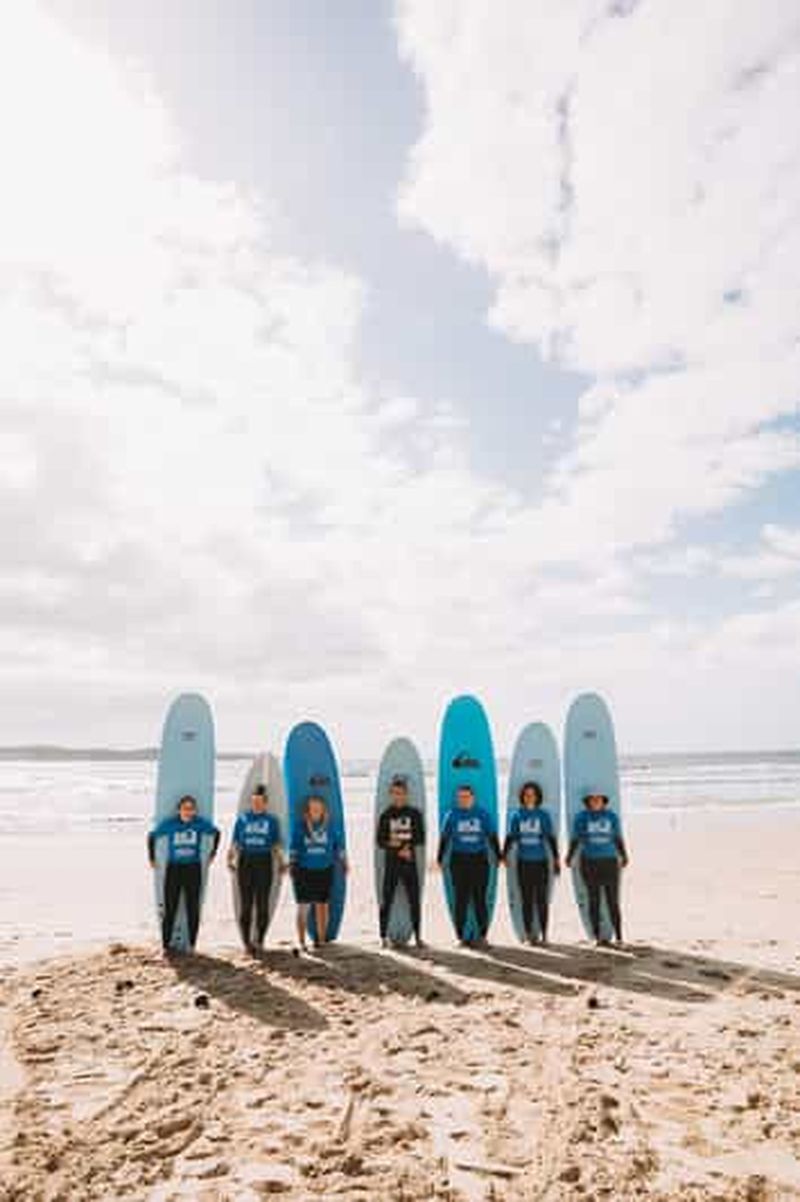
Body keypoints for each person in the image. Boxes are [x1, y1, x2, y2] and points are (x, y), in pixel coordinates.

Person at [148, 794, 220, 953]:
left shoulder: (199, 824)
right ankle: (166, 946)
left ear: (194, 811)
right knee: (170, 908)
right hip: (174, 869)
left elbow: (217, 833)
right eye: (185, 808)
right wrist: (151, 858)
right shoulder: (170, 824)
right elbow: (152, 836)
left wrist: (213, 853)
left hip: (193, 869)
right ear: (179, 810)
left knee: (192, 908)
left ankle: (192, 946)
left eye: (191, 809)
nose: (188, 812)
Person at [437, 783, 502, 947]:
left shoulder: (482, 814)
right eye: (460, 797)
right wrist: (439, 858)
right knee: (461, 899)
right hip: (458, 860)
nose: (463, 799)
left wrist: (499, 856)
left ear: (473, 798)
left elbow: (492, 836)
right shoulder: (451, 815)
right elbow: (444, 839)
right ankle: (461, 937)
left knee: (480, 899)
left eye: (466, 796)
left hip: (479, 860)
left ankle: (483, 936)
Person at [565, 793, 628, 945]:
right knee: (594, 900)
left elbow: (617, 837)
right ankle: (597, 937)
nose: (595, 802)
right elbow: (576, 839)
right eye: (592, 800)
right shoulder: (582, 818)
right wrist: (569, 856)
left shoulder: (611, 817)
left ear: (604, 802)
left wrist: (624, 855)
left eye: (598, 799)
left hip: (609, 862)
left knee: (612, 900)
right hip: (589, 862)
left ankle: (619, 937)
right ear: (587, 802)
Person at [228, 783, 284, 955]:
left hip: (264, 861)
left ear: (265, 803)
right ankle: (246, 942)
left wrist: (282, 862)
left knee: (262, 903)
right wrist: (229, 858)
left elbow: (276, 845)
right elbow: (235, 842)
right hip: (246, 861)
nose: (256, 804)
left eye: (260, 802)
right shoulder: (243, 819)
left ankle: (259, 940)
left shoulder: (272, 821)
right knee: (246, 904)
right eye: (254, 801)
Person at [503, 780, 560, 944]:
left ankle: (544, 935)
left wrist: (555, 860)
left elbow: (550, 838)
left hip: (541, 863)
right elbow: (511, 837)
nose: (529, 797)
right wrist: (504, 855)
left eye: (532, 795)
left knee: (542, 900)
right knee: (526, 899)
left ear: (537, 797)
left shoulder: (543, 815)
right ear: (523, 797)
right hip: (523, 863)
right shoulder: (517, 815)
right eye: (527, 795)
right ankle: (528, 935)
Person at [289, 795, 348, 952]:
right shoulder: (299, 827)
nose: (315, 811)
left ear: (323, 811)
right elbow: (293, 849)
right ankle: (301, 942)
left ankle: (321, 940)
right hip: (304, 871)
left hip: (325, 870)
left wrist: (345, 862)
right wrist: (291, 867)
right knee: (303, 907)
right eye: (312, 809)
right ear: (307, 811)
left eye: (318, 809)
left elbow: (338, 847)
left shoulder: (330, 827)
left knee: (322, 906)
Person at [376, 774, 426, 948]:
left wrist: (406, 847)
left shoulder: (414, 814)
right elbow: (380, 841)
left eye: (401, 793)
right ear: (391, 794)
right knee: (386, 899)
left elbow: (420, 838)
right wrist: (395, 845)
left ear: (406, 794)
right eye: (395, 793)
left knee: (414, 900)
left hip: (409, 864)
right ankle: (383, 936)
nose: (398, 796)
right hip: (392, 864)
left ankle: (418, 937)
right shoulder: (386, 815)